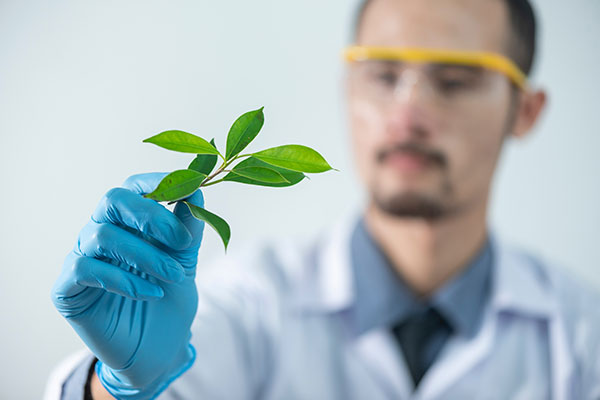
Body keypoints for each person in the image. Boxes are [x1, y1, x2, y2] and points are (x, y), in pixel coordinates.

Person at [47, 0, 600, 399]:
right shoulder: (251, 304)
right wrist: (113, 387)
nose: (407, 114)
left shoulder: (581, 337)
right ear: (348, 89)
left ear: (525, 111)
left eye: (453, 80)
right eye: (383, 76)